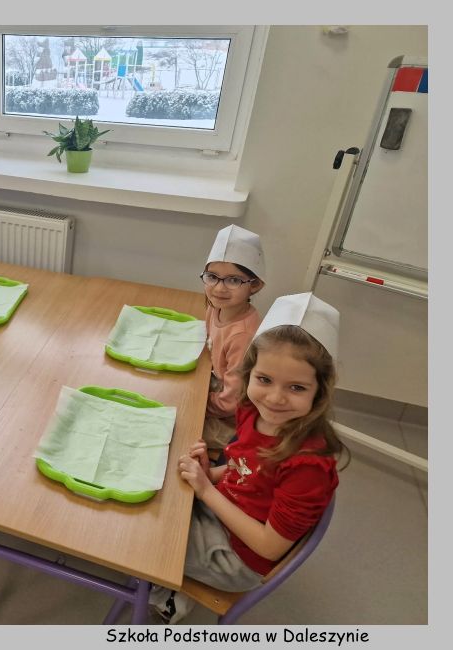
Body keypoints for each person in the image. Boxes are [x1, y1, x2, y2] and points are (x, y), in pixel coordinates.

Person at [151, 292, 348, 623]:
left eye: (297, 387)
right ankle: (170, 583)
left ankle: (168, 590)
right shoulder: (252, 411)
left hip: (237, 558)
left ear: (320, 392)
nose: (274, 398)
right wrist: (210, 475)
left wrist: (206, 490)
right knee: (161, 486)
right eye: (264, 380)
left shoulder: (308, 466)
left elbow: (269, 547)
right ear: (249, 372)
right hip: (225, 512)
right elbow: (243, 468)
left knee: (146, 535)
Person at [200, 225, 265, 452]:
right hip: (215, 388)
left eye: (234, 280)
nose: (219, 288)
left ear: (254, 285)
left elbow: (231, 402)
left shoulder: (242, 335)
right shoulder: (216, 307)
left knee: (180, 428)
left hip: (231, 417)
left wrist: (198, 403)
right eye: (212, 277)